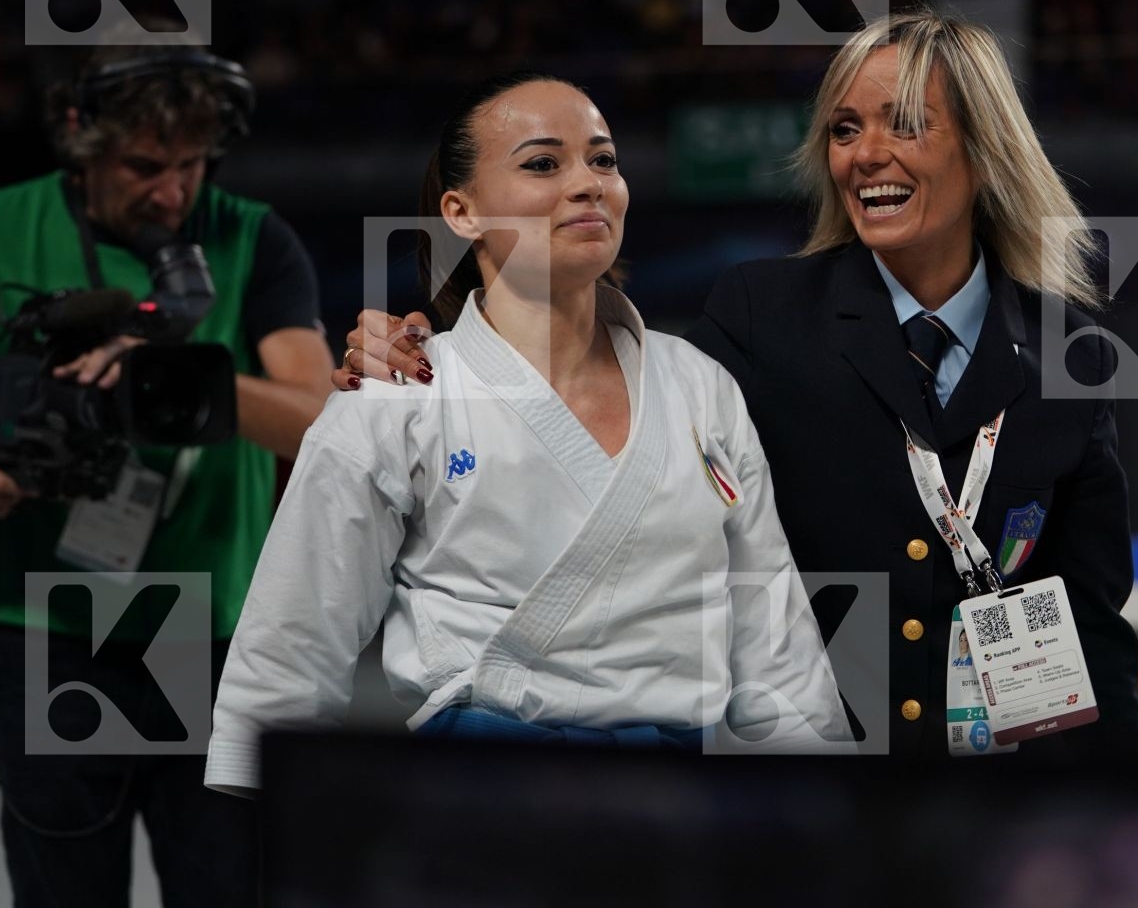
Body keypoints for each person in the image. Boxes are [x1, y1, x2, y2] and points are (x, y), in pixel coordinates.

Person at [337, 10, 1138, 762]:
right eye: (843, 130)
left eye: (903, 123)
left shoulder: (1071, 350)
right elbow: (605, 424)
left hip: (1017, 788)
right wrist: (441, 346)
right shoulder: (763, 316)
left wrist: (1117, 806)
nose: (864, 155)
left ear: (983, 144)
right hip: (816, 780)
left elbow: (1091, 619)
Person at [205, 75, 848, 796]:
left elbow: (776, 643)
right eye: (544, 163)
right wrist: (248, 805)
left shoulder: (698, 383)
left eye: (603, 161)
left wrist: (816, 800)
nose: (588, 183)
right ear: (462, 211)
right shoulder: (401, 395)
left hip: (683, 806)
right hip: (482, 797)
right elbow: (295, 638)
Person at [0, 43, 334, 905]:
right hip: (56, 623)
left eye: (192, 165)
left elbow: (320, 417)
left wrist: (176, 375)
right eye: (144, 166)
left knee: (224, 886)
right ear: (79, 138)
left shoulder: (250, 236)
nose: (174, 192)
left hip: (204, 623)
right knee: (65, 892)